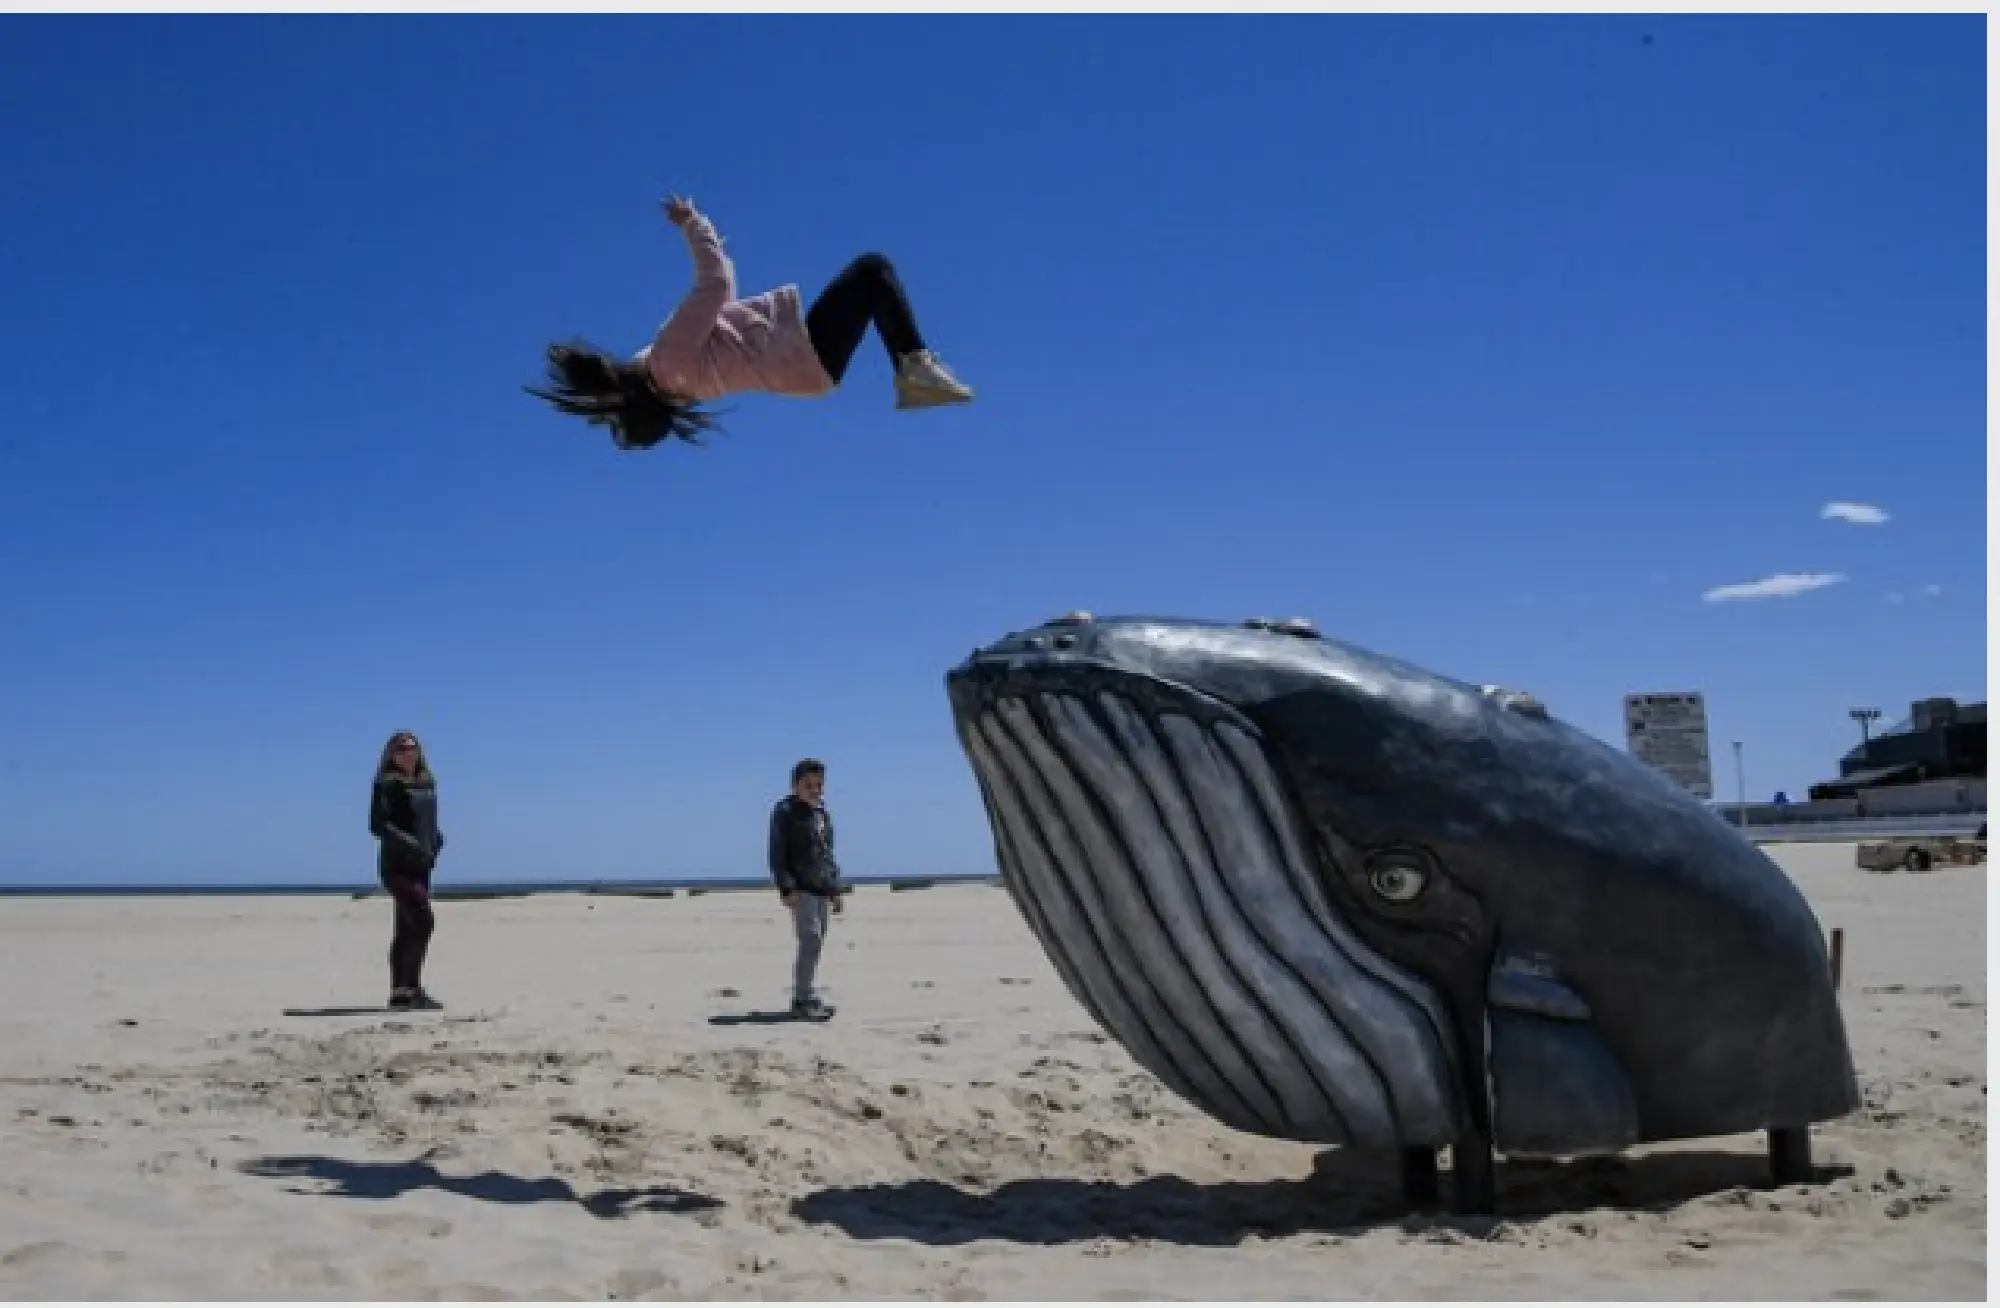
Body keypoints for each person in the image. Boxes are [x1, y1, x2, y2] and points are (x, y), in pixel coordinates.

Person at [528, 195, 975, 451]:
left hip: (810, 374)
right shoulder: (667, 361)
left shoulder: (677, 389)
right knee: (873, 269)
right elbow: (717, 283)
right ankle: (915, 371)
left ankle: (914, 371)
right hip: (801, 352)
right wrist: (692, 224)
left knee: (871, 281)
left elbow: (723, 310)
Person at [368, 730, 446, 1011]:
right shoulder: (386, 785)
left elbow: (426, 820)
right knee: (423, 921)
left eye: (412, 747)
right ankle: (408, 987)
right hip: (397, 865)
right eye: (400, 748)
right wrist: (411, 844)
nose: (407, 752)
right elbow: (379, 825)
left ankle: (403, 993)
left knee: (406, 928)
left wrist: (436, 839)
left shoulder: (427, 782)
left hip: (422, 864)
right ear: (391, 753)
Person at [766, 758, 846, 1021]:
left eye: (819, 785)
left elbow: (827, 854)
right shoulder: (785, 811)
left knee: (816, 942)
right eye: (808, 784)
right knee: (809, 938)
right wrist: (786, 887)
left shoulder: (822, 815)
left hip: (821, 887)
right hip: (800, 888)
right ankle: (801, 999)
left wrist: (835, 890)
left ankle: (808, 995)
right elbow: (778, 852)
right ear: (795, 785)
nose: (814, 790)